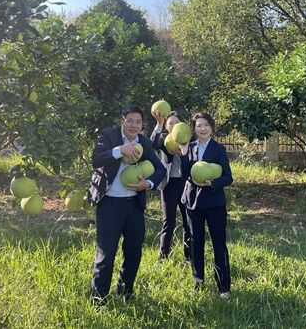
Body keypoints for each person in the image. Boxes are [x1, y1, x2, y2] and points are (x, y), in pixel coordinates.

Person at [87, 105, 166, 303]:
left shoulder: (144, 143)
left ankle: (125, 293)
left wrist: (147, 184)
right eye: (130, 120)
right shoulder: (109, 136)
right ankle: (99, 297)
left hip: (133, 206)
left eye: (138, 122)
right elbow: (96, 160)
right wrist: (119, 150)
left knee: (133, 251)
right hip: (109, 205)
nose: (134, 125)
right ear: (122, 121)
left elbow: (160, 169)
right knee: (106, 252)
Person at [179, 112, 233, 299]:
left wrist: (213, 183)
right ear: (194, 129)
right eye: (199, 125)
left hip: (214, 202)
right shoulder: (189, 147)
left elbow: (228, 177)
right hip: (193, 202)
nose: (203, 128)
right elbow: (185, 174)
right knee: (196, 242)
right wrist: (184, 154)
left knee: (219, 243)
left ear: (212, 127)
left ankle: (223, 286)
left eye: (206, 125)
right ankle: (198, 280)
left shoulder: (218, 149)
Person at [150, 110, 192, 262]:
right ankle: (163, 258)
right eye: (170, 123)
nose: (174, 125)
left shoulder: (189, 140)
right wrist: (158, 124)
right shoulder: (163, 139)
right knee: (169, 222)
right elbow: (151, 144)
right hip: (169, 185)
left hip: (186, 184)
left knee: (188, 222)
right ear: (166, 127)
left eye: (177, 122)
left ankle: (189, 257)